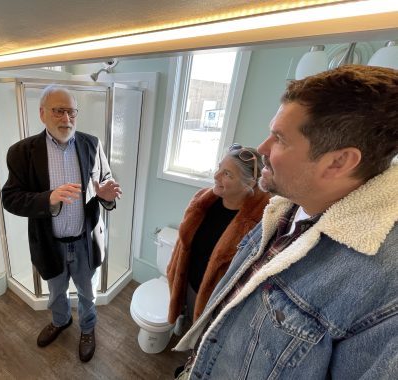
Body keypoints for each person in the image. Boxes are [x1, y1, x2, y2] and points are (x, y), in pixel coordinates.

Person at [174, 65, 398, 379]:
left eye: (279, 138)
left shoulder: (386, 290)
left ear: (338, 162)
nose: (263, 148)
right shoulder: (283, 209)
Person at [1, 85, 122, 363]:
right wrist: (49, 198)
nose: (66, 118)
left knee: (88, 292)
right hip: (49, 242)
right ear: (42, 113)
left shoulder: (92, 143)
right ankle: (61, 320)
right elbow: (11, 198)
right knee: (55, 291)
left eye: (71, 111)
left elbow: (104, 182)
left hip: (84, 240)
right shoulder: (21, 152)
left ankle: (88, 328)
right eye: (58, 110)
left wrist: (105, 194)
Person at [166, 144, 270, 334]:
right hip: (188, 283)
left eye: (227, 174)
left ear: (249, 184)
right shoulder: (202, 201)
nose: (216, 176)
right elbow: (183, 246)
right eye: (219, 168)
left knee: (203, 338)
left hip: (217, 301)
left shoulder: (259, 225)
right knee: (190, 323)